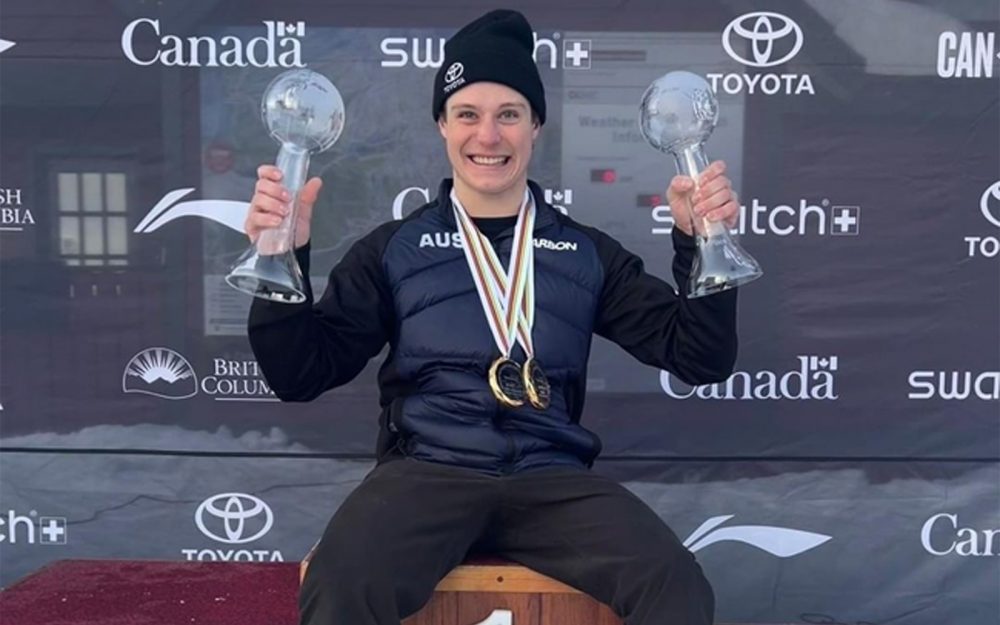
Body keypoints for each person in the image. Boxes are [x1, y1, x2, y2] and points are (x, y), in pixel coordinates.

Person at [246, 9, 740, 625]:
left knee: (677, 587)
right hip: (427, 474)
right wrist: (281, 261)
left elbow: (700, 357)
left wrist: (700, 246)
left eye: (509, 114)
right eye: (468, 115)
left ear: (535, 126)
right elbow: (299, 374)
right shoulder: (395, 249)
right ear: (442, 127)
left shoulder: (584, 253)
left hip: (550, 480)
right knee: (341, 587)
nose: (489, 136)